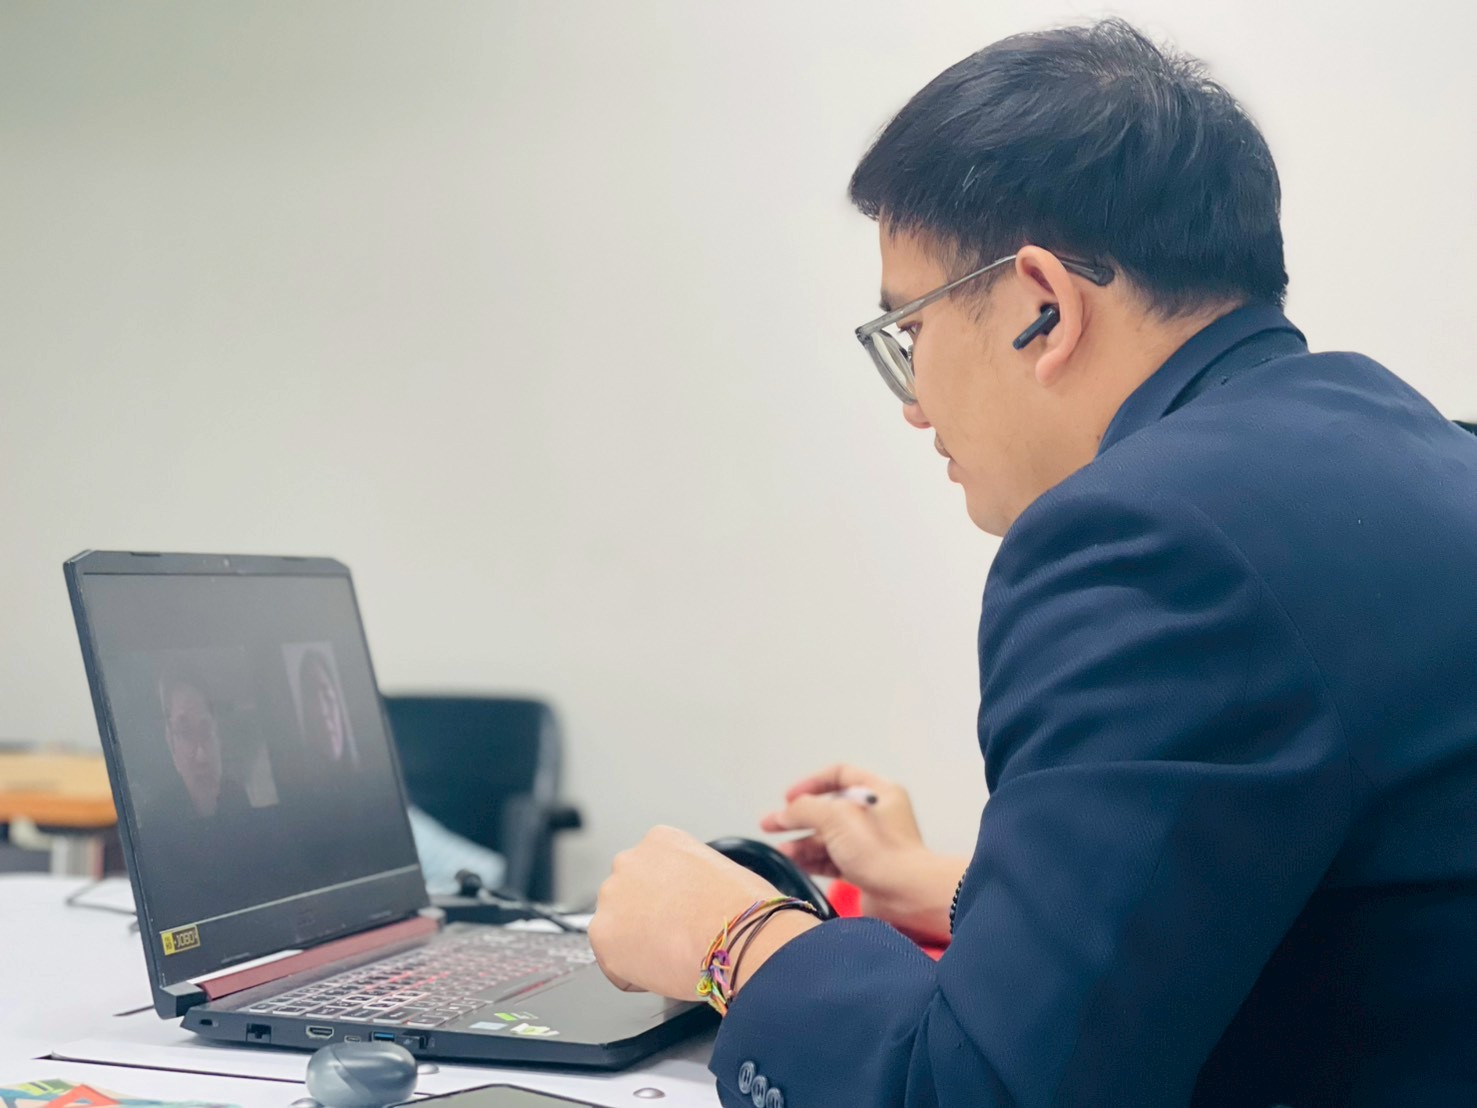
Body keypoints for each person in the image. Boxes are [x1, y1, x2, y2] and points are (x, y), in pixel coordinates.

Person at [586, 18, 1477, 1107]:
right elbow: (1318, 911)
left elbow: (983, 1092)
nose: (913, 405)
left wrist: (733, 935)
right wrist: (942, 885)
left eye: (908, 333)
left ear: (1042, 308)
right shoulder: (1411, 449)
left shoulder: (1149, 540)